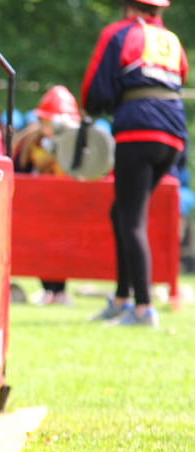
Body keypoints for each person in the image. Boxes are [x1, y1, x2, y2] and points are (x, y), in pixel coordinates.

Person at [82, 0, 188, 327]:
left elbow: (96, 88)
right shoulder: (172, 41)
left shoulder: (118, 33)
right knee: (122, 212)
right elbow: (179, 77)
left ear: (128, 7)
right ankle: (121, 298)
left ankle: (142, 309)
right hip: (173, 136)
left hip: (137, 131)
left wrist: (94, 109)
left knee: (131, 218)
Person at [12, 85, 81, 306]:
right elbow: (18, 174)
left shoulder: (79, 146)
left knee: (63, 248)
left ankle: (60, 291)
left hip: (66, 211)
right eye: (47, 123)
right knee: (40, 246)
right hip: (37, 210)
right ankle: (47, 290)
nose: (50, 128)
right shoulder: (29, 143)